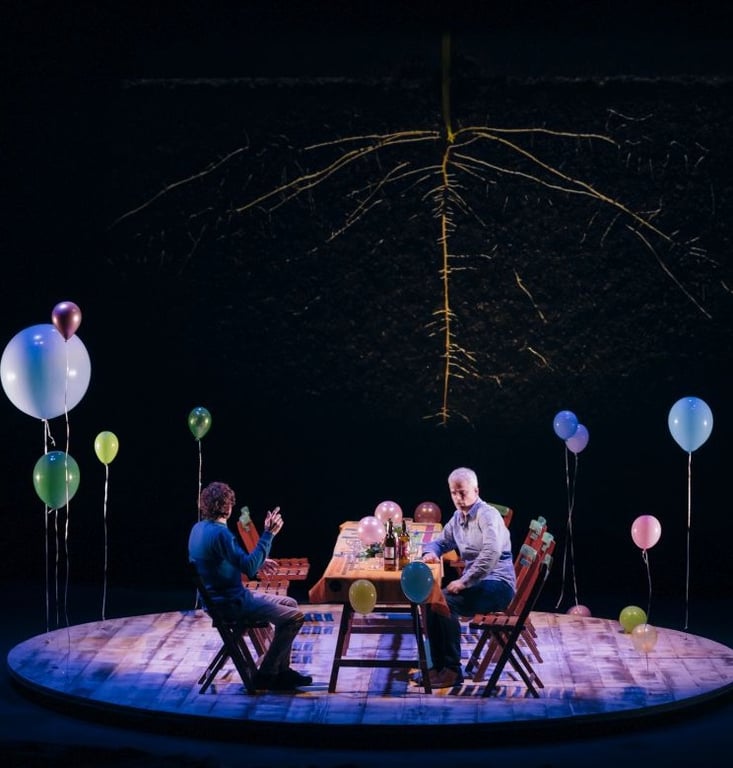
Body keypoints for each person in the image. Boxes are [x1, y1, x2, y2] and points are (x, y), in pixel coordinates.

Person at [188, 481, 312, 691]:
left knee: (290, 603)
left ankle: (282, 672)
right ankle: (267, 674)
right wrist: (268, 534)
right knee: (294, 618)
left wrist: (259, 561)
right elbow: (249, 567)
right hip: (231, 604)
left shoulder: (198, 528)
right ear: (228, 507)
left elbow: (222, 561)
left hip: (218, 601)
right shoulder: (221, 534)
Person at [419, 466, 516, 688]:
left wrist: (464, 581)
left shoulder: (487, 515)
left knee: (444, 602)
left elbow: (491, 553)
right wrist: (430, 553)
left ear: (476, 490)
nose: (458, 498)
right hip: (478, 583)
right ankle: (437, 667)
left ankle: (452, 670)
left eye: (462, 492)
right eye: (453, 493)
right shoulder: (458, 517)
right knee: (430, 599)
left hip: (498, 585)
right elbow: (440, 542)